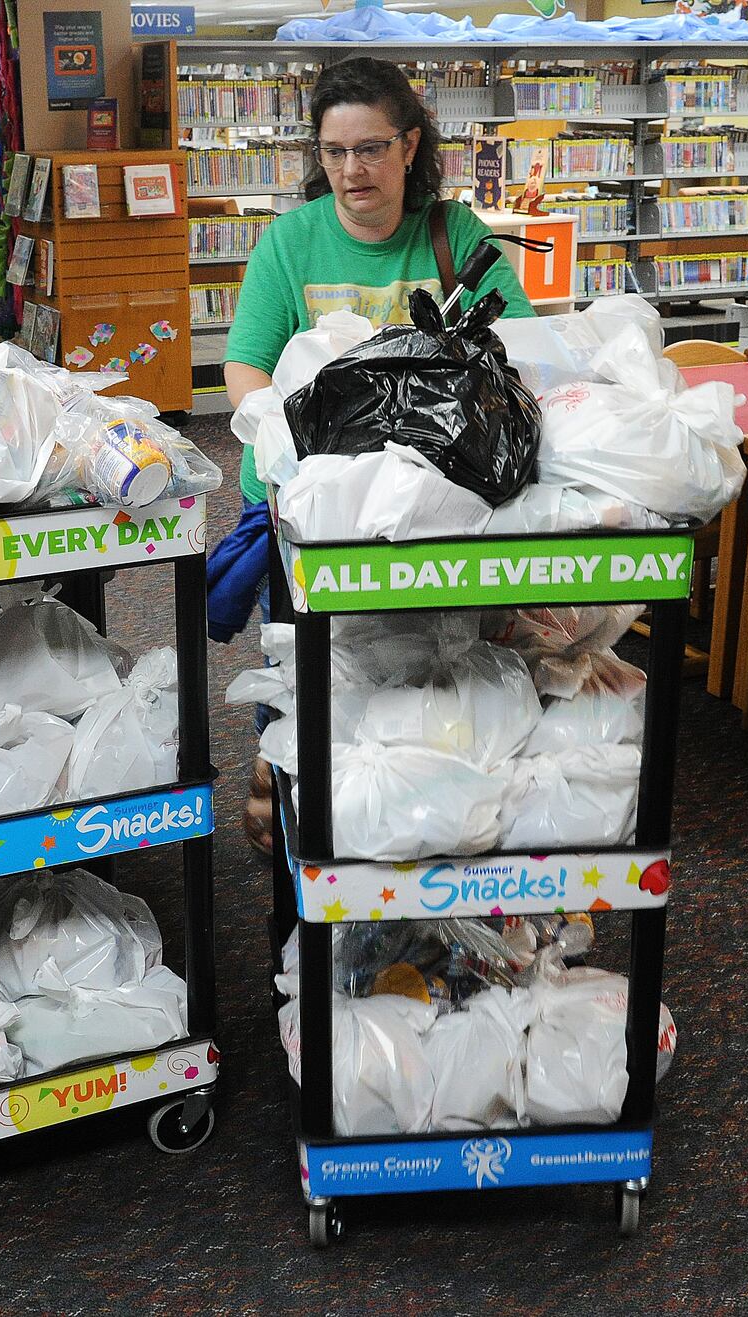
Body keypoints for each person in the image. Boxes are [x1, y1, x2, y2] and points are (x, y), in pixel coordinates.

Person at [217, 56, 534, 852]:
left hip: (434, 499)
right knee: (303, 659)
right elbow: (246, 363)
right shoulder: (290, 243)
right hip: (316, 502)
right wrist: (280, 442)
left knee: (427, 654)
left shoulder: (454, 234)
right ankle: (287, 770)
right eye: (334, 152)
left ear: (410, 145)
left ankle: (417, 795)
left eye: (370, 148)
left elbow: (522, 348)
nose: (351, 170)